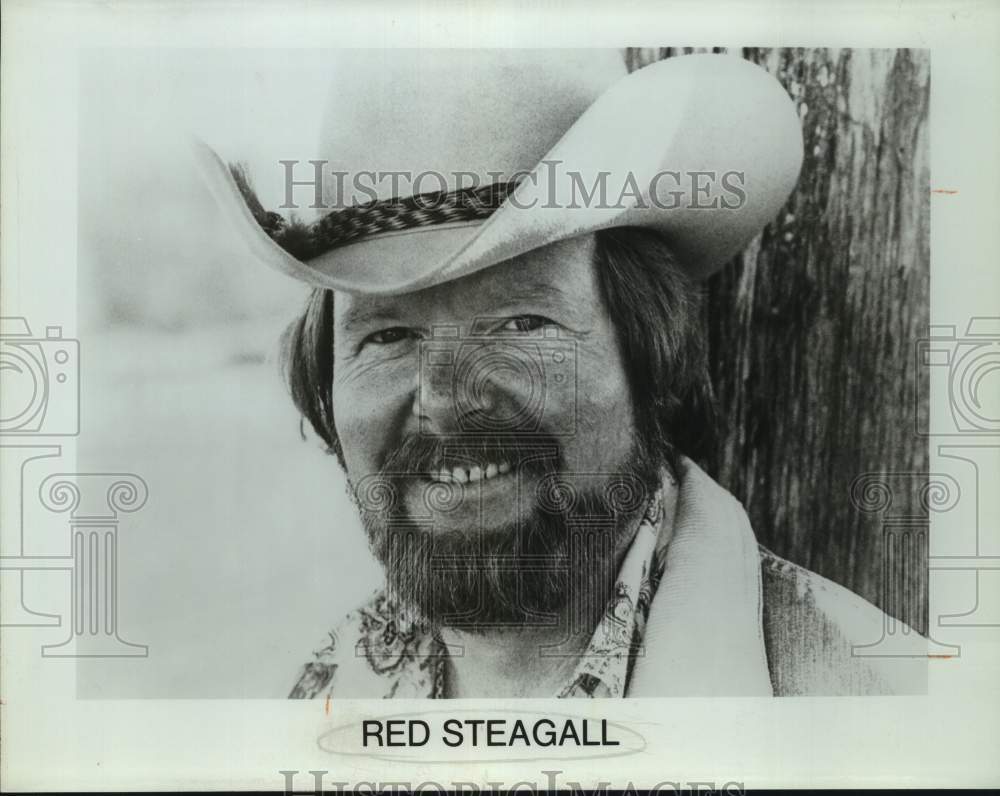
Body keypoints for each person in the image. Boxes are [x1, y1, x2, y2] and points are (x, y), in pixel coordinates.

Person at [195, 49, 926, 697]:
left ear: (651, 353)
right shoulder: (323, 690)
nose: (446, 399)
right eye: (388, 334)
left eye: (520, 323)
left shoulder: (881, 708)